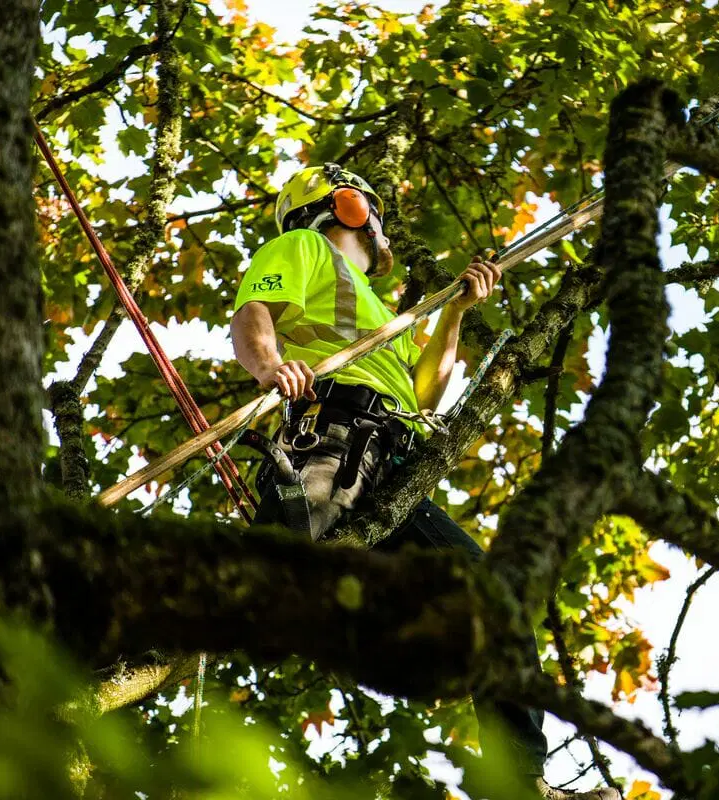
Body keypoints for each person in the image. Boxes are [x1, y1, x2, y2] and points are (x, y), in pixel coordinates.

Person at [231, 163, 621, 800]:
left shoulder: (382, 310)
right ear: (345, 208)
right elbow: (253, 314)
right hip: (332, 436)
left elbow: (424, 398)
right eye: (370, 210)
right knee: (295, 564)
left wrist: (457, 315)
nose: (379, 225)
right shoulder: (301, 246)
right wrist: (273, 368)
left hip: (390, 457)